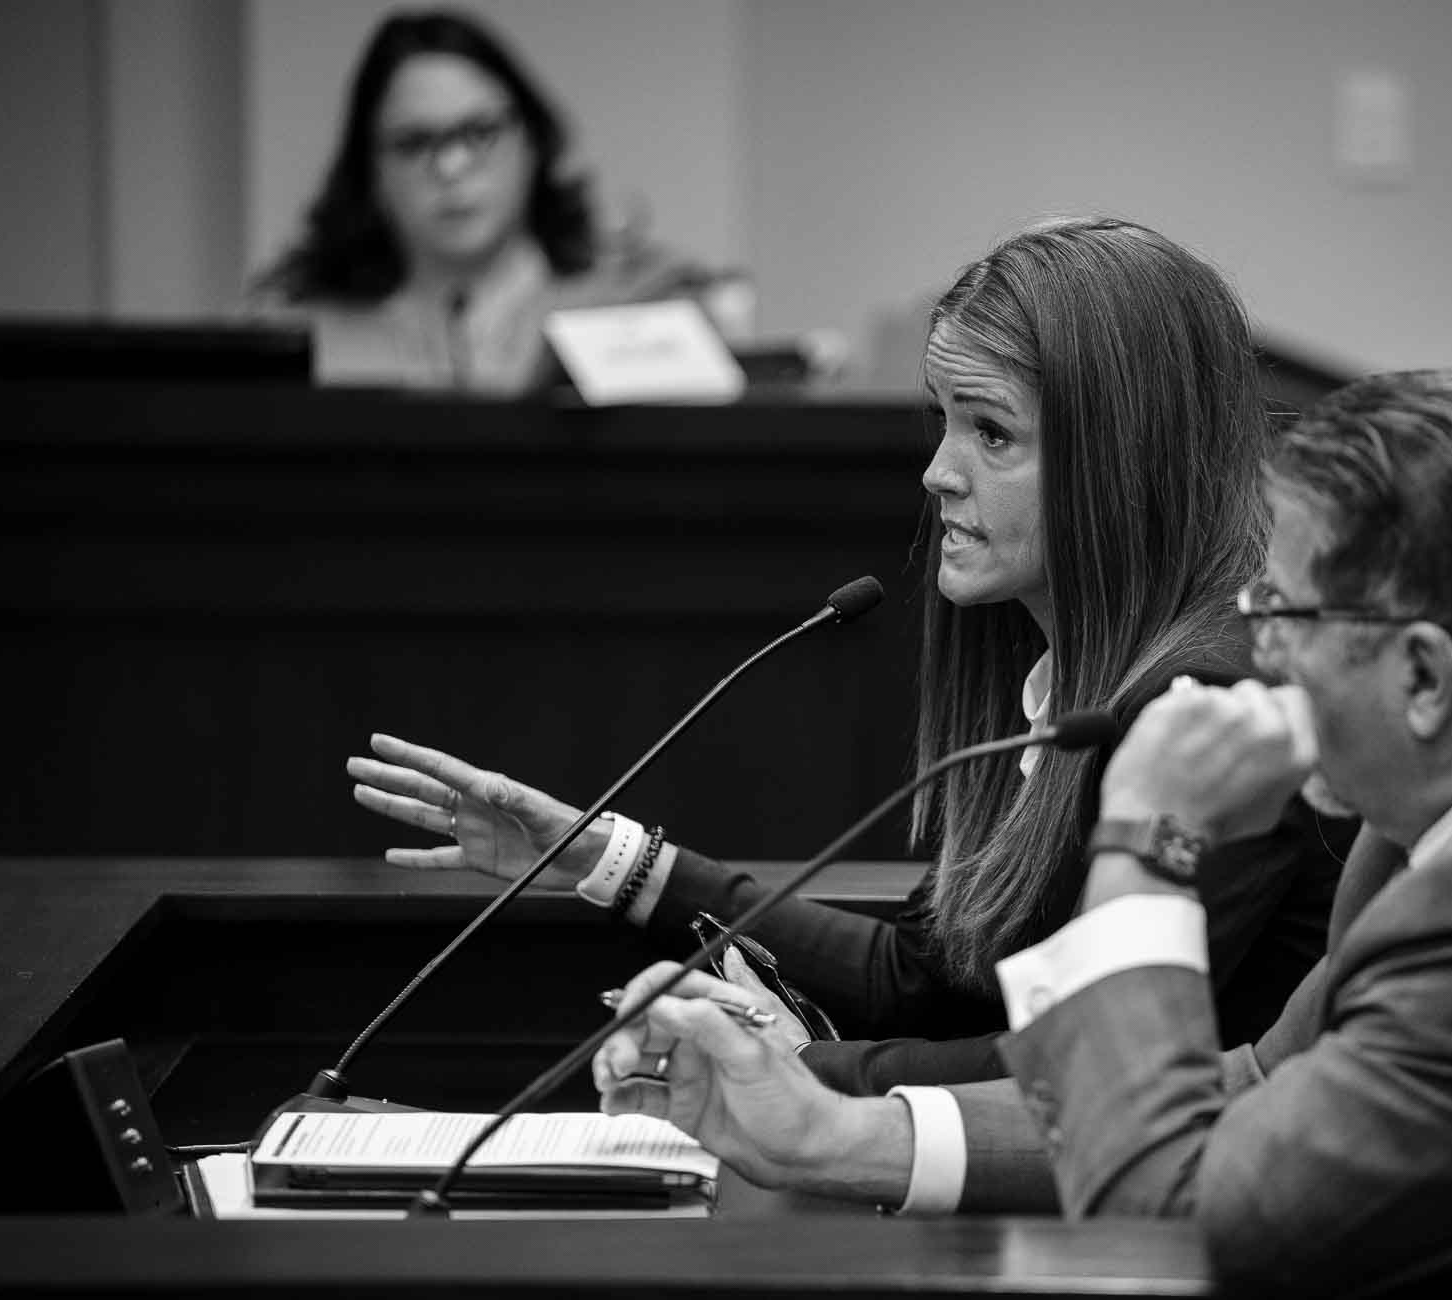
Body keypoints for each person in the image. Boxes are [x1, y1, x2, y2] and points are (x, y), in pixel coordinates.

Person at [596, 369, 1452, 1292]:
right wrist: (837, 1136)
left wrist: (1144, 841)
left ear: (1421, 676)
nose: (1258, 652)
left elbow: (1179, 1221)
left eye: (1286, 615)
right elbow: (1249, 1099)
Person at [348, 216, 1354, 1094]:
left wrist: (797, 1073)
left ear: (1124, 461)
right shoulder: (1074, 679)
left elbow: (1067, 1066)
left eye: (991, 432)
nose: (937, 472)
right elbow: (924, 977)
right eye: (942, 419)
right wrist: (606, 858)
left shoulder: (1212, 704)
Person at [248, 7, 712, 392]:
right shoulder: (304, 333)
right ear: (371, 171)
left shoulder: (636, 305)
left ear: (532, 140)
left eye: (479, 133)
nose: (451, 167)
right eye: (414, 143)